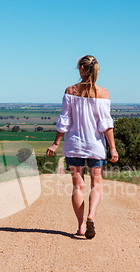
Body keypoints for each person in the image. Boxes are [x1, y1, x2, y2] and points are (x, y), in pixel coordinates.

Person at [46, 55, 119, 239]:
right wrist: (113, 148)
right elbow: (106, 125)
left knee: (78, 186)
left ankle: (80, 227)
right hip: (96, 147)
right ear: (96, 71)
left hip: (74, 145)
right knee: (96, 184)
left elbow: (64, 121)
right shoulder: (104, 93)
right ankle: (91, 216)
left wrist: (56, 143)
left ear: (81, 69)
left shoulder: (70, 91)